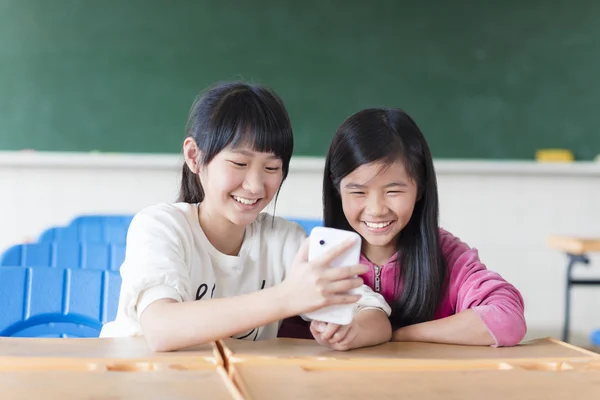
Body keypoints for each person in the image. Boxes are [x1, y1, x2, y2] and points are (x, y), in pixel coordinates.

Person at [100, 82, 391, 351]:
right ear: (194, 157)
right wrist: (286, 298)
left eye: (271, 168)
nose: (254, 185)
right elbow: (162, 329)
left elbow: (374, 315)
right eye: (239, 163)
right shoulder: (159, 226)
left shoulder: (284, 241)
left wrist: (352, 331)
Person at [313, 107, 526, 347]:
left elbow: (506, 320)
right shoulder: (317, 258)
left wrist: (397, 335)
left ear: (420, 188)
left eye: (393, 191)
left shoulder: (447, 256)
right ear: (336, 188)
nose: (376, 209)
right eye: (358, 192)